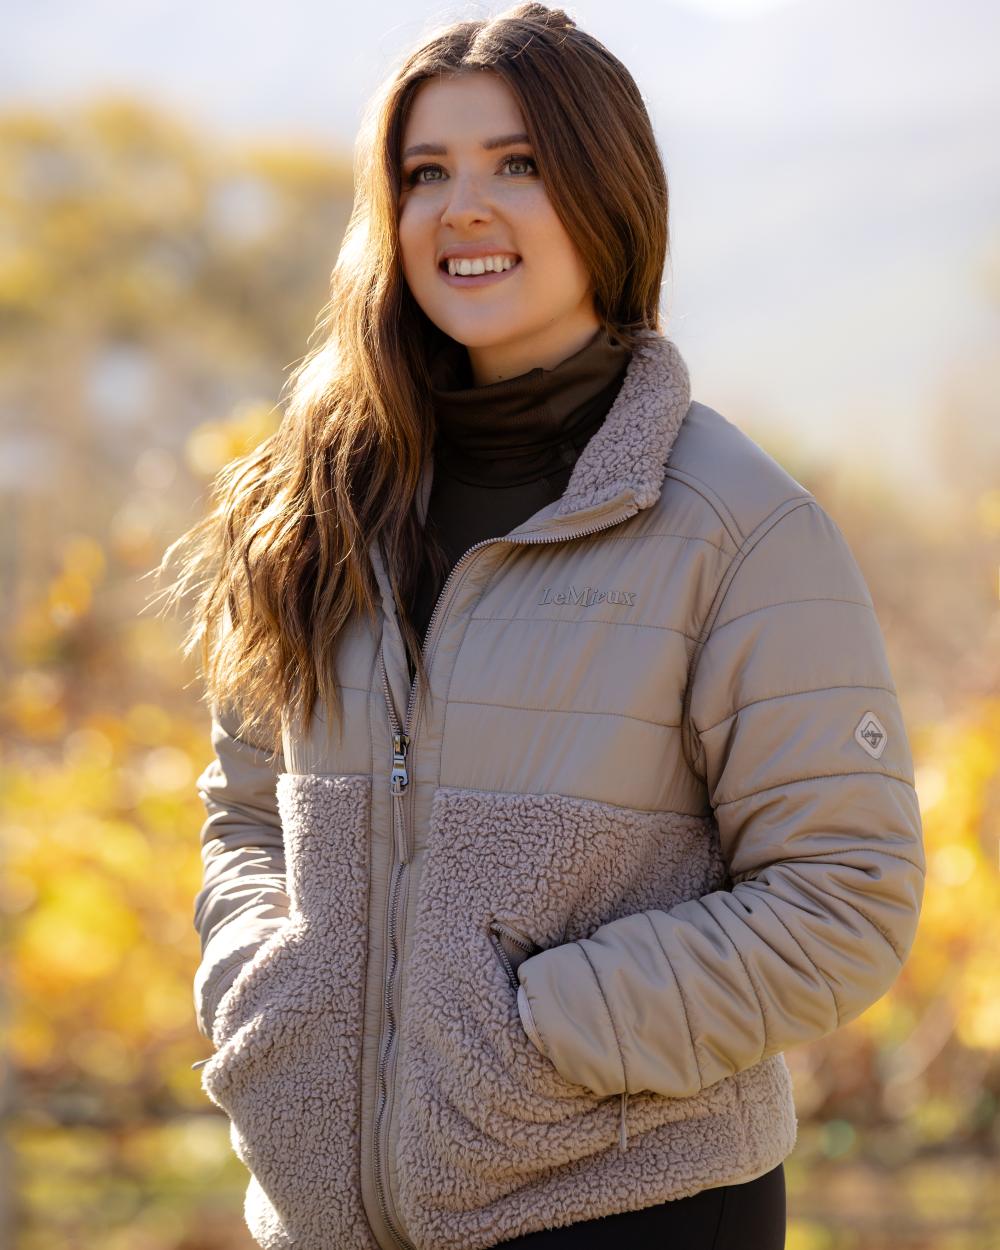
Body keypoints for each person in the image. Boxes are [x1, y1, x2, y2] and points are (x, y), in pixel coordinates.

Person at [159, 5, 925, 1248]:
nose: (463, 205)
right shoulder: (310, 505)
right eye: (425, 173)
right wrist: (271, 991)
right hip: (325, 1221)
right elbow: (246, 809)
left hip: (633, 1206)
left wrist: (542, 1025)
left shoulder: (735, 526)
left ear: (605, 197)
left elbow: (846, 891)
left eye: (517, 164)